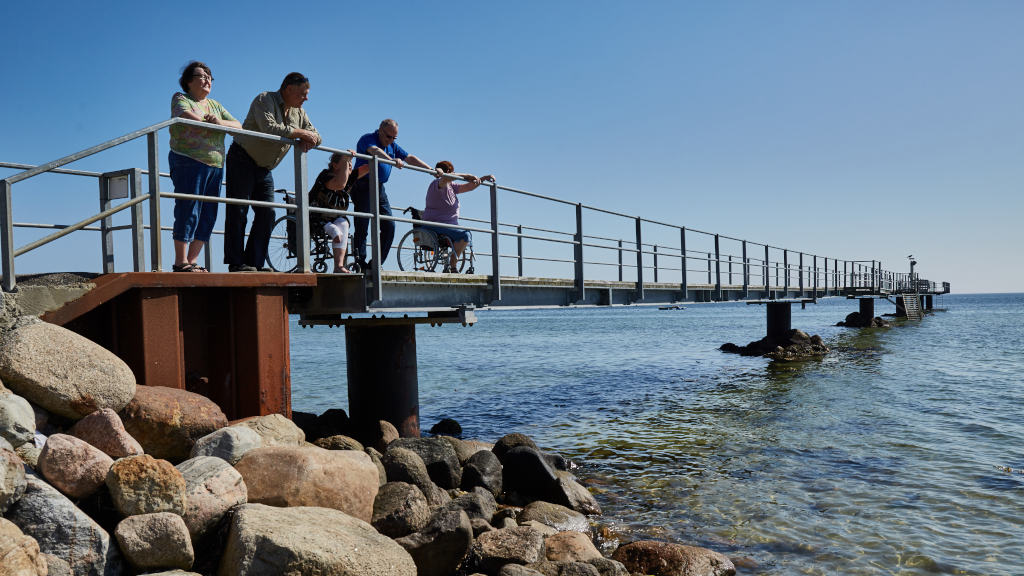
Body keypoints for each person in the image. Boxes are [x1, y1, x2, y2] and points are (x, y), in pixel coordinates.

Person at [224, 73, 321, 272]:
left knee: (268, 213)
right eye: (303, 93)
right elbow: (269, 128)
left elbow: (317, 136)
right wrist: (301, 133)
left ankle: (254, 262)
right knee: (238, 211)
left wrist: (309, 137)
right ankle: (236, 263)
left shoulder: (300, 113)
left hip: (265, 168)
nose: (306, 98)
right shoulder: (264, 99)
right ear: (289, 89)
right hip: (243, 159)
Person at [168, 61, 241, 272]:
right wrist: (211, 123)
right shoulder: (181, 98)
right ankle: (180, 261)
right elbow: (186, 117)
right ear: (188, 81)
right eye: (202, 76)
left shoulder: (216, 106)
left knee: (208, 213)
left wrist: (218, 122)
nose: (207, 80)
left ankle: (192, 261)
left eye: (210, 77)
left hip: (216, 165)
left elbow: (237, 126)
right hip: (188, 160)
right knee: (188, 208)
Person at [351, 119, 433, 269]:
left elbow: (409, 158)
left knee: (390, 225)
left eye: (394, 138)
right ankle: (359, 262)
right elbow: (375, 152)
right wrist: (392, 160)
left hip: (379, 188)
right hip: (362, 185)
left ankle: (376, 263)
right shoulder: (367, 139)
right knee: (362, 225)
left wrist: (431, 170)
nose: (390, 140)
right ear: (380, 130)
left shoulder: (392, 145)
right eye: (389, 136)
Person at [420, 161, 495, 272]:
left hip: (449, 225)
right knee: (465, 234)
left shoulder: (451, 186)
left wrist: (483, 178)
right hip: (436, 224)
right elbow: (447, 177)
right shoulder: (438, 184)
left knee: (465, 234)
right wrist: (468, 175)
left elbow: (469, 187)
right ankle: (453, 265)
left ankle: (451, 263)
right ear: (449, 172)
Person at [308, 151, 368, 273]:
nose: (350, 164)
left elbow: (368, 167)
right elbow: (340, 184)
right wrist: (347, 160)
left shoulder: (349, 176)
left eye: (351, 162)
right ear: (335, 166)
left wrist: (380, 155)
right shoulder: (326, 175)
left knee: (344, 223)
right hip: (316, 216)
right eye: (346, 161)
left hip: (334, 217)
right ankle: (333, 231)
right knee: (335, 230)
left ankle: (339, 266)